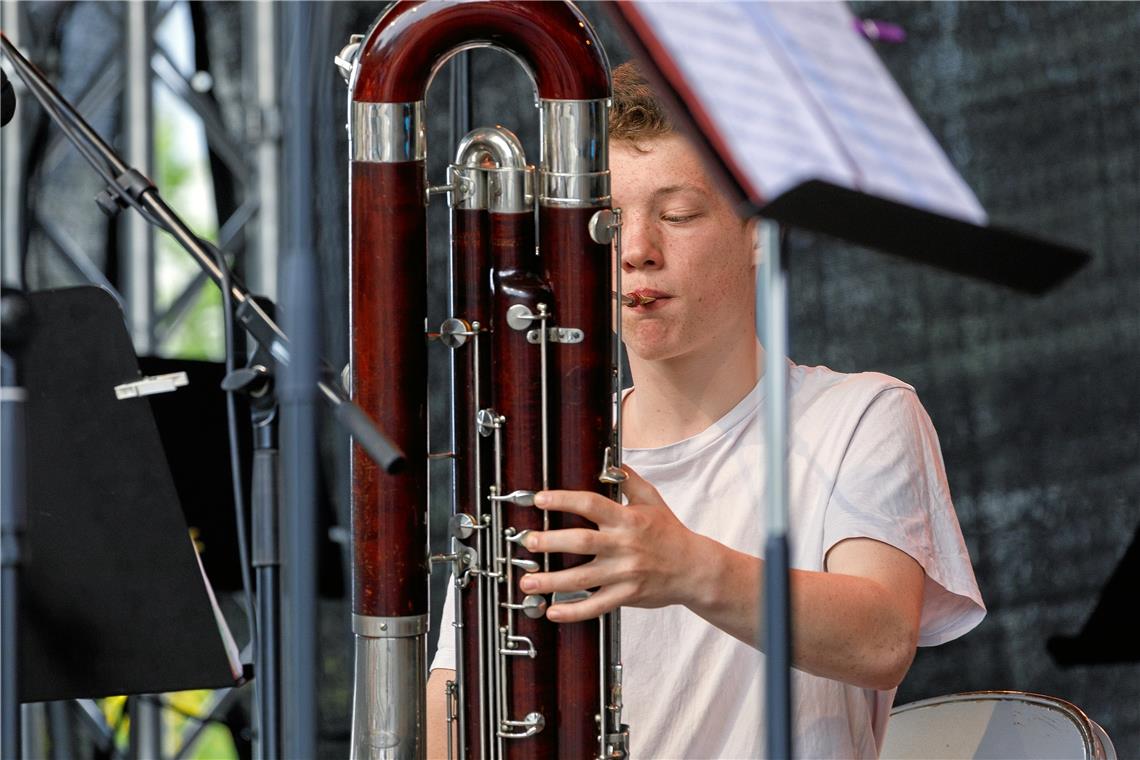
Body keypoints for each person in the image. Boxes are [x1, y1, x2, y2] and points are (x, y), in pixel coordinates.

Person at [427, 61, 985, 759]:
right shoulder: (536, 457)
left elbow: (880, 639)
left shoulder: (860, 415)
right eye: (610, 223)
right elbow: (455, 710)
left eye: (678, 215)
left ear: (758, 228)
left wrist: (687, 567)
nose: (637, 253)